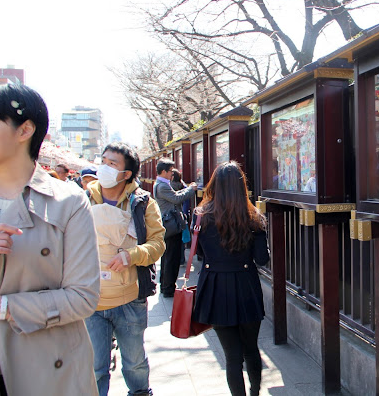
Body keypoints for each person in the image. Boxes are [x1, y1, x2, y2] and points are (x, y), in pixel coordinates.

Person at [0, 84, 100, 395]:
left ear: (24, 129)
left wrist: (1, 307)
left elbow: (82, 297)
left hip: (49, 369)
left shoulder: (68, 201)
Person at [85, 142, 166, 396]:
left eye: (112, 164)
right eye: (103, 160)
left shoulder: (143, 203)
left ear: (127, 173)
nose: (104, 167)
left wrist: (132, 256)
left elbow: (157, 243)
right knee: (95, 368)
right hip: (91, 299)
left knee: (135, 365)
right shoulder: (82, 198)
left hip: (129, 297)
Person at [193, 161, 270, 396]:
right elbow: (262, 259)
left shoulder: (201, 216)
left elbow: (199, 254)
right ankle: (255, 392)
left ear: (214, 185)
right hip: (246, 286)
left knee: (232, 357)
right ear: (241, 188)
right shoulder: (253, 218)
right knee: (251, 350)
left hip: (215, 288)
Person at [153, 158, 196, 297]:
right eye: (171, 171)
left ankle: (165, 284)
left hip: (168, 224)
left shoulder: (161, 183)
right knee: (172, 256)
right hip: (171, 225)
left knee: (168, 256)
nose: (172, 174)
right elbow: (177, 198)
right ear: (164, 171)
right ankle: (168, 287)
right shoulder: (162, 185)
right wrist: (190, 189)